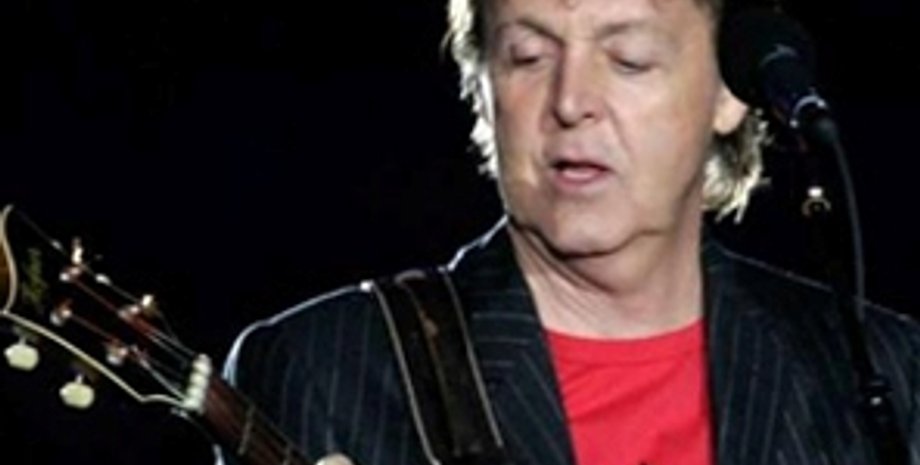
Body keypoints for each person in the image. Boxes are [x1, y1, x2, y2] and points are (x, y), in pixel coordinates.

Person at [222, 0, 920, 464]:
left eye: (629, 59)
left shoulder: (887, 374)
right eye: (527, 56)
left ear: (729, 91)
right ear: (482, 86)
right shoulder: (325, 370)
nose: (571, 101)